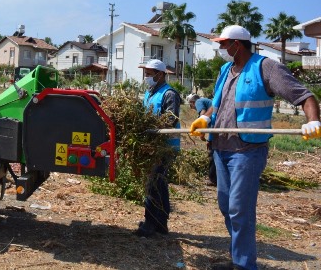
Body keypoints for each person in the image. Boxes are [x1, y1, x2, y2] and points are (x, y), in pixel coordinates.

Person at [189, 25, 320, 270]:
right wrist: (205, 118)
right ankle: (238, 257)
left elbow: (305, 96)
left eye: (223, 44)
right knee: (226, 206)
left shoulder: (265, 67)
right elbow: (216, 105)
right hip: (220, 148)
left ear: (236, 44)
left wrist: (312, 121)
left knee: (240, 208)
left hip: (247, 151)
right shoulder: (226, 69)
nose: (220, 49)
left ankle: (244, 265)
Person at [134, 59, 182, 237]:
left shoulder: (169, 94)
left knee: (155, 184)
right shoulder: (150, 93)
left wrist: (151, 128)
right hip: (152, 145)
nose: (146, 77)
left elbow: (171, 120)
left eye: (149, 74)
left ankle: (151, 223)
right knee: (156, 184)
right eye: (145, 73)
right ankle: (159, 223)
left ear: (160, 75)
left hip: (165, 147)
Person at [187, 93, 216, 185]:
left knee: (213, 154)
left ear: (192, 102)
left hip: (215, 129)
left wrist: (201, 134)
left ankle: (213, 179)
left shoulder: (199, 101)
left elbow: (202, 114)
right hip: (216, 127)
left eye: (191, 106)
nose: (193, 108)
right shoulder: (208, 102)